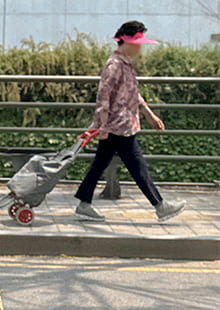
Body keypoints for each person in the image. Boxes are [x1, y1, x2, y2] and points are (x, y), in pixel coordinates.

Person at [74, 20, 184, 223]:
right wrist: (102, 126)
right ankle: (160, 206)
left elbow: (133, 93)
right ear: (127, 42)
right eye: (138, 43)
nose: (140, 48)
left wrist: (149, 114)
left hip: (122, 125)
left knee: (100, 164)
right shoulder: (114, 65)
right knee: (137, 166)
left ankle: (84, 203)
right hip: (118, 126)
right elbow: (103, 96)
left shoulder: (125, 64)